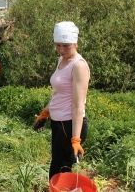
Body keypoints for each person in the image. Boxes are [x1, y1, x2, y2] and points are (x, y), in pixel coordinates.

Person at [34, 21, 90, 179]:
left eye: (66, 45)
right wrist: (45, 113)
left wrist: (76, 139)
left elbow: (78, 106)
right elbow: (58, 93)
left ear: (75, 43)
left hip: (70, 125)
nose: (61, 49)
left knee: (60, 170)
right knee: (57, 165)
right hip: (59, 122)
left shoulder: (79, 66)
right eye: (58, 45)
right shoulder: (61, 60)